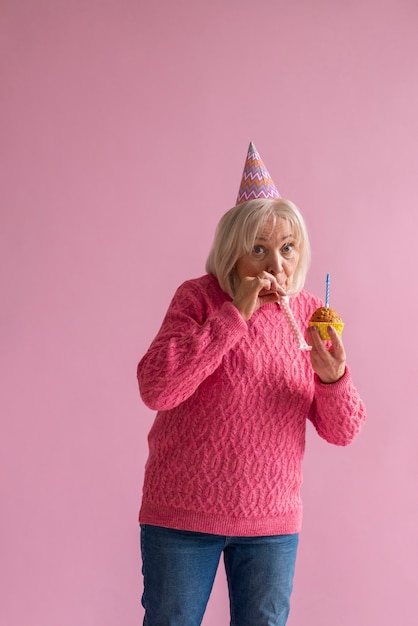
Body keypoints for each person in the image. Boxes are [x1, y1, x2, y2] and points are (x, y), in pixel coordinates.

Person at [136, 142, 366, 626]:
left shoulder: (305, 314)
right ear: (230, 250)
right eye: (257, 249)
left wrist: (333, 378)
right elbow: (157, 388)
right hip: (182, 513)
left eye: (286, 248)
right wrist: (234, 314)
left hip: (271, 521)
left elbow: (343, 431)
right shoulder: (198, 299)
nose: (275, 263)